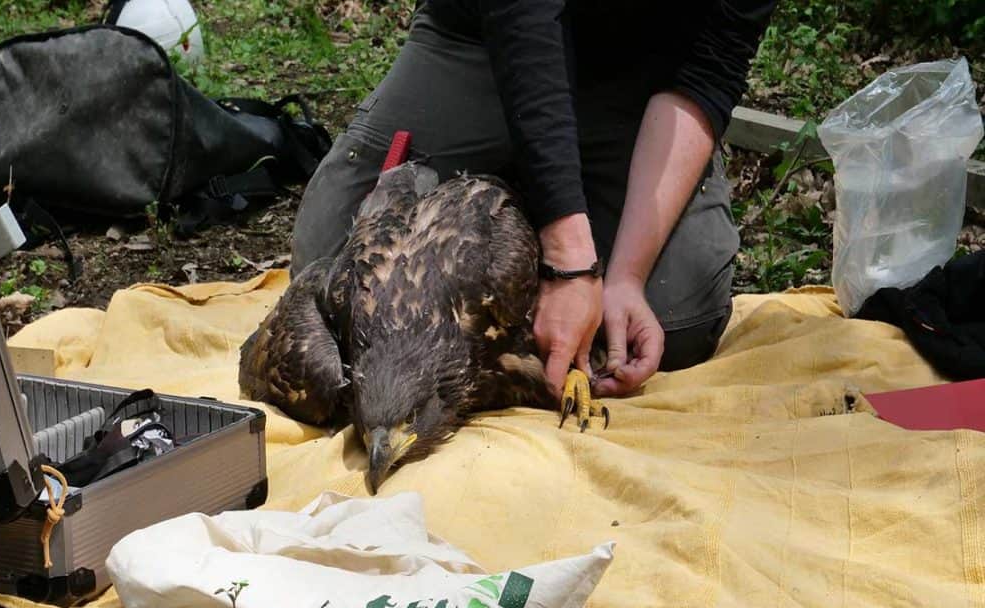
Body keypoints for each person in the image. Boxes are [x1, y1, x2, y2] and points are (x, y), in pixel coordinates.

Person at [289, 0, 778, 399]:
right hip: (481, 36)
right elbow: (523, 13)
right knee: (335, 288)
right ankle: (533, 204)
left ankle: (535, 223)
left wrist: (625, 276)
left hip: (637, 81)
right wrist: (570, 261)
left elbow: (710, 69)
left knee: (671, 323)